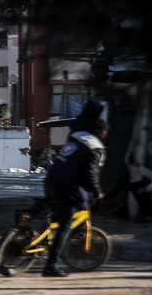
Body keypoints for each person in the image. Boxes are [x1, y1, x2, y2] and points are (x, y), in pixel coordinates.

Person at [41, 98, 108, 277]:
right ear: (101, 134)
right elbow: (90, 173)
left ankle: (37, 240)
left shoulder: (76, 136)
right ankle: (51, 265)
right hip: (68, 185)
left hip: (52, 178)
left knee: (54, 213)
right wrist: (96, 191)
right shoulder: (95, 147)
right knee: (65, 224)